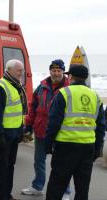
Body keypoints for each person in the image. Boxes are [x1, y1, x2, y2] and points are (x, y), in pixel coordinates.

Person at [45, 64, 106, 200]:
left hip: (65, 147)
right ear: (85, 78)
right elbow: (101, 126)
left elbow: (53, 123)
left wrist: (47, 145)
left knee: (56, 186)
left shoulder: (64, 93)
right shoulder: (95, 96)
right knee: (82, 189)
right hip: (87, 148)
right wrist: (98, 149)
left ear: (70, 77)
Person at [21, 59, 71, 199]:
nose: (56, 73)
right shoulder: (42, 86)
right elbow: (33, 108)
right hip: (41, 130)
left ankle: (65, 191)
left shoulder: (69, 87)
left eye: (59, 71)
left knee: (62, 164)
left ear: (63, 72)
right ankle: (37, 187)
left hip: (61, 132)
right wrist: (29, 125)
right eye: (53, 70)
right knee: (39, 161)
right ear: (50, 71)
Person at [0, 59, 27, 200]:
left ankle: (7, 194)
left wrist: (20, 131)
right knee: (1, 168)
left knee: (10, 166)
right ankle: (0, 196)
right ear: (9, 70)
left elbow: (18, 112)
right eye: (19, 70)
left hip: (14, 134)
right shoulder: (1, 87)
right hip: (4, 135)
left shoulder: (16, 85)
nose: (21, 73)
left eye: (22, 70)